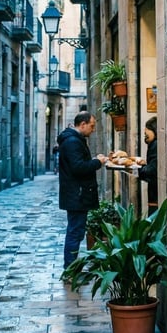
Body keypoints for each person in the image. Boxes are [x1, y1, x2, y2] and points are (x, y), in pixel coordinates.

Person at [57, 111, 107, 267]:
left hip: (76, 194)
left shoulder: (74, 140)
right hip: (76, 195)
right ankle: (70, 269)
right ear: (83, 124)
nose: (93, 130)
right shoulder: (73, 141)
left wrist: (94, 160)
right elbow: (78, 167)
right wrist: (97, 162)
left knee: (76, 232)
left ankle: (71, 267)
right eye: (92, 126)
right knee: (75, 233)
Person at [137, 116, 158, 215]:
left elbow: (152, 170)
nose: (145, 132)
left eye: (147, 128)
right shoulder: (154, 144)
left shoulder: (155, 145)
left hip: (155, 195)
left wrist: (138, 169)